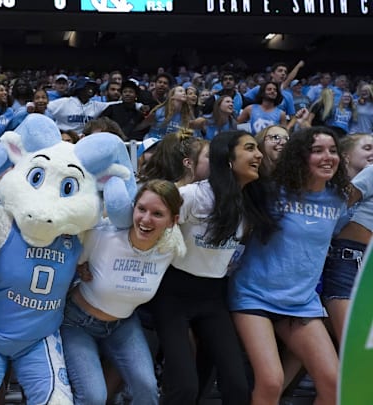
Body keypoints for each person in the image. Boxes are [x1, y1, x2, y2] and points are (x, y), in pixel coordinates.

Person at [147, 130, 277, 405]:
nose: (259, 155)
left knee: (237, 388)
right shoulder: (191, 196)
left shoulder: (247, 201)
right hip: (173, 294)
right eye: (250, 148)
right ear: (227, 158)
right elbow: (147, 227)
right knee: (183, 388)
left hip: (214, 297)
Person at [230, 127, 347, 405]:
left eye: (332, 150)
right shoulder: (270, 192)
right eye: (317, 151)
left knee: (334, 385)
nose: (327, 157)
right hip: (254, 295)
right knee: (271, 382)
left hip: (301, 302)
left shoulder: (338, 200)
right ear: (299, 157)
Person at [61, 179, 185, 405]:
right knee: (93, 397)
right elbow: (65, 266)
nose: (146, 219)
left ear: (172, 221)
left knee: (147, 390)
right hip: (77, 323)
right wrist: (80, 268)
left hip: (122, 325)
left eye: (157, 214)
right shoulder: (102, 235)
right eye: (141, 209)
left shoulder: (171, 249)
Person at [322, 133, 373, 344]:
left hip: (366, 264)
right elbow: (338, 208)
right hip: (349, 259)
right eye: (368, 147)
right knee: (355, 345)